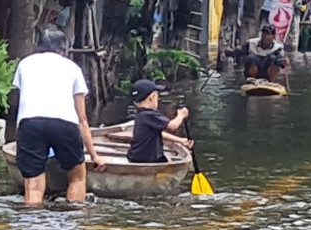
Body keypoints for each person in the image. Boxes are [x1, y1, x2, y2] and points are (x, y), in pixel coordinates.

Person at [11, 26, 107, 206]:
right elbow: (82, 119)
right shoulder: (72, 68)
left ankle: (32, 224)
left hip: (30, 124)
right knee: (77, 177)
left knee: (33, 186)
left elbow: (23, 100)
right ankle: (73, 216)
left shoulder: (25, 64)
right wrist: (94, 155)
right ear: (63, 49)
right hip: (65, 125)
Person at [126, 79, 193, 163]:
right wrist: (181, 115)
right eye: (157, 96)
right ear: (152, 97)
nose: (158, 99)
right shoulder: (149, 114)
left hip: (136, 157)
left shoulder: (141, 115)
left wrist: (180, 140)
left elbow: (159, 132)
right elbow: (173, 126)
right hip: (146, 160)